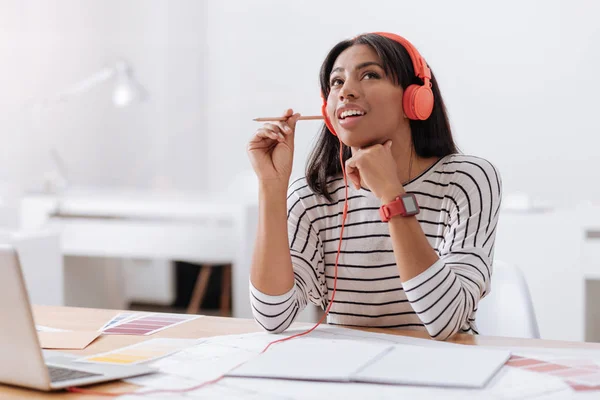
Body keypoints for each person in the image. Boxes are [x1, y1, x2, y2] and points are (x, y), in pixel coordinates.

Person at [246, 32, 501, 341]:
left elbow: (445, 321)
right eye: (337, 82)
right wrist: (272, 186)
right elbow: (273, 316)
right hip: (348, 376)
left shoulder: (467, 179)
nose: (346, 91)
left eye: (369, 75)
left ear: (415, 98)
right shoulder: (314, 196)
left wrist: (392, 195)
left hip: (446, 377)